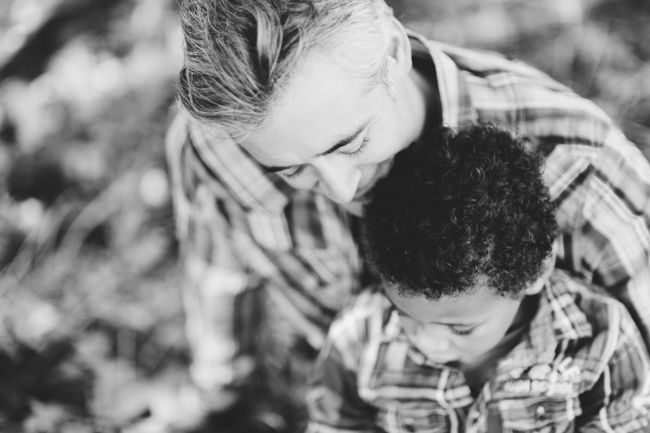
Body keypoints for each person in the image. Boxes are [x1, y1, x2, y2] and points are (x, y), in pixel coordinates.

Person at [166, 0, 650, 422]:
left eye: (351, 142)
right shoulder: (220, 153)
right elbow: (221, 297)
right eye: (289, 170)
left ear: (394, 51)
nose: (339, 189)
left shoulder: (581, 170)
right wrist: (209, 401)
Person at [307, 124, 650, 432]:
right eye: (403, 315)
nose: (427, 344)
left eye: (461, 329)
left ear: (535, 272)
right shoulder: (358, 341)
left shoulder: (601, 342)